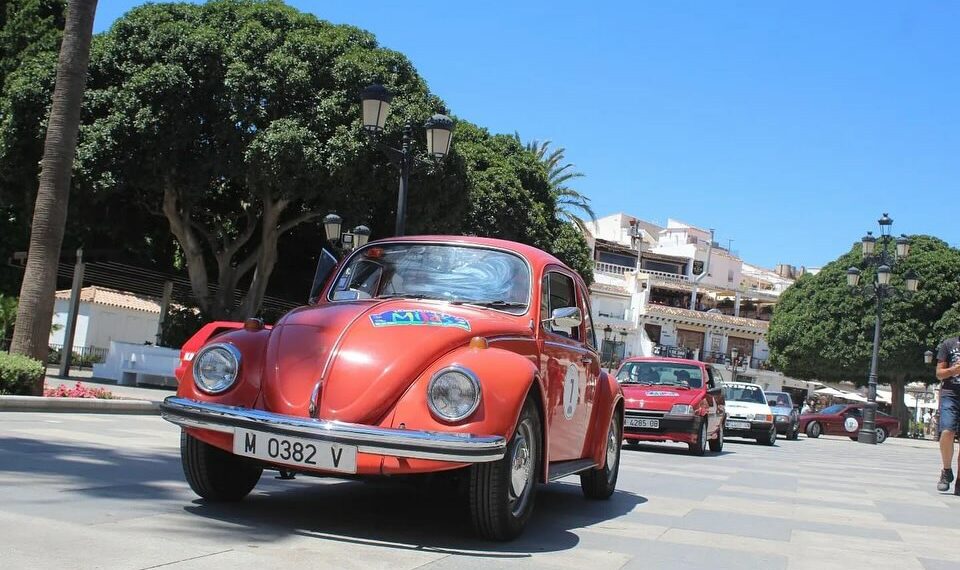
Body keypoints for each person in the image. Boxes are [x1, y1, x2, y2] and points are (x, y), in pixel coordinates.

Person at [934, 336, 960, 494]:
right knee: (947, 431)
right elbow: (939, 373)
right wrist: (953, 370)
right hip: (950, 394)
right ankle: (946, 470)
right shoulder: (949, 344)